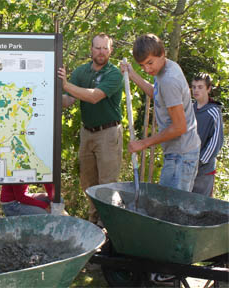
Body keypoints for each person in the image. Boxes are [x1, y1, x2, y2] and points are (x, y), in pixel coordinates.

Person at [57, 33, 124, 225]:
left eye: (105, 48)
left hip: (108, 133)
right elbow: (68, 100)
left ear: (110, 50)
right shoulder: (81, 72)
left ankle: (110, 225)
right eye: (97, 48)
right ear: (91, 49)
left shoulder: (114, 73)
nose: (101, 52)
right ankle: (95, 222)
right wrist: (48, 90)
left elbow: (94, 96)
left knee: (107, 184)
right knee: (88, 182)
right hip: (87, 133)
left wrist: (66, 85)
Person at [120, 33, 201, 192]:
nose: (147, 69)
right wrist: (132, 75)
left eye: (150, 63)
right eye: (142, 66)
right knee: (171, 207)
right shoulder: (165, 67)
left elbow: (179, 127)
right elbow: (158, 95)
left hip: (181, 156)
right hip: (180, 151)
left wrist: (143, 143)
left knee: (172, 210)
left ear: (162, 53)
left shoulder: (169, 80)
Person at [191, 73, 224, 197]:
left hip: (203, 171)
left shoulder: (214, 112)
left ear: (208, 89)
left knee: (200, 207)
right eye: (194, 87)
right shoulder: (190, 109)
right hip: (186, 167)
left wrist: (198, 162)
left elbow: (216, 143)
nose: (196, 90)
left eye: (200, 87)